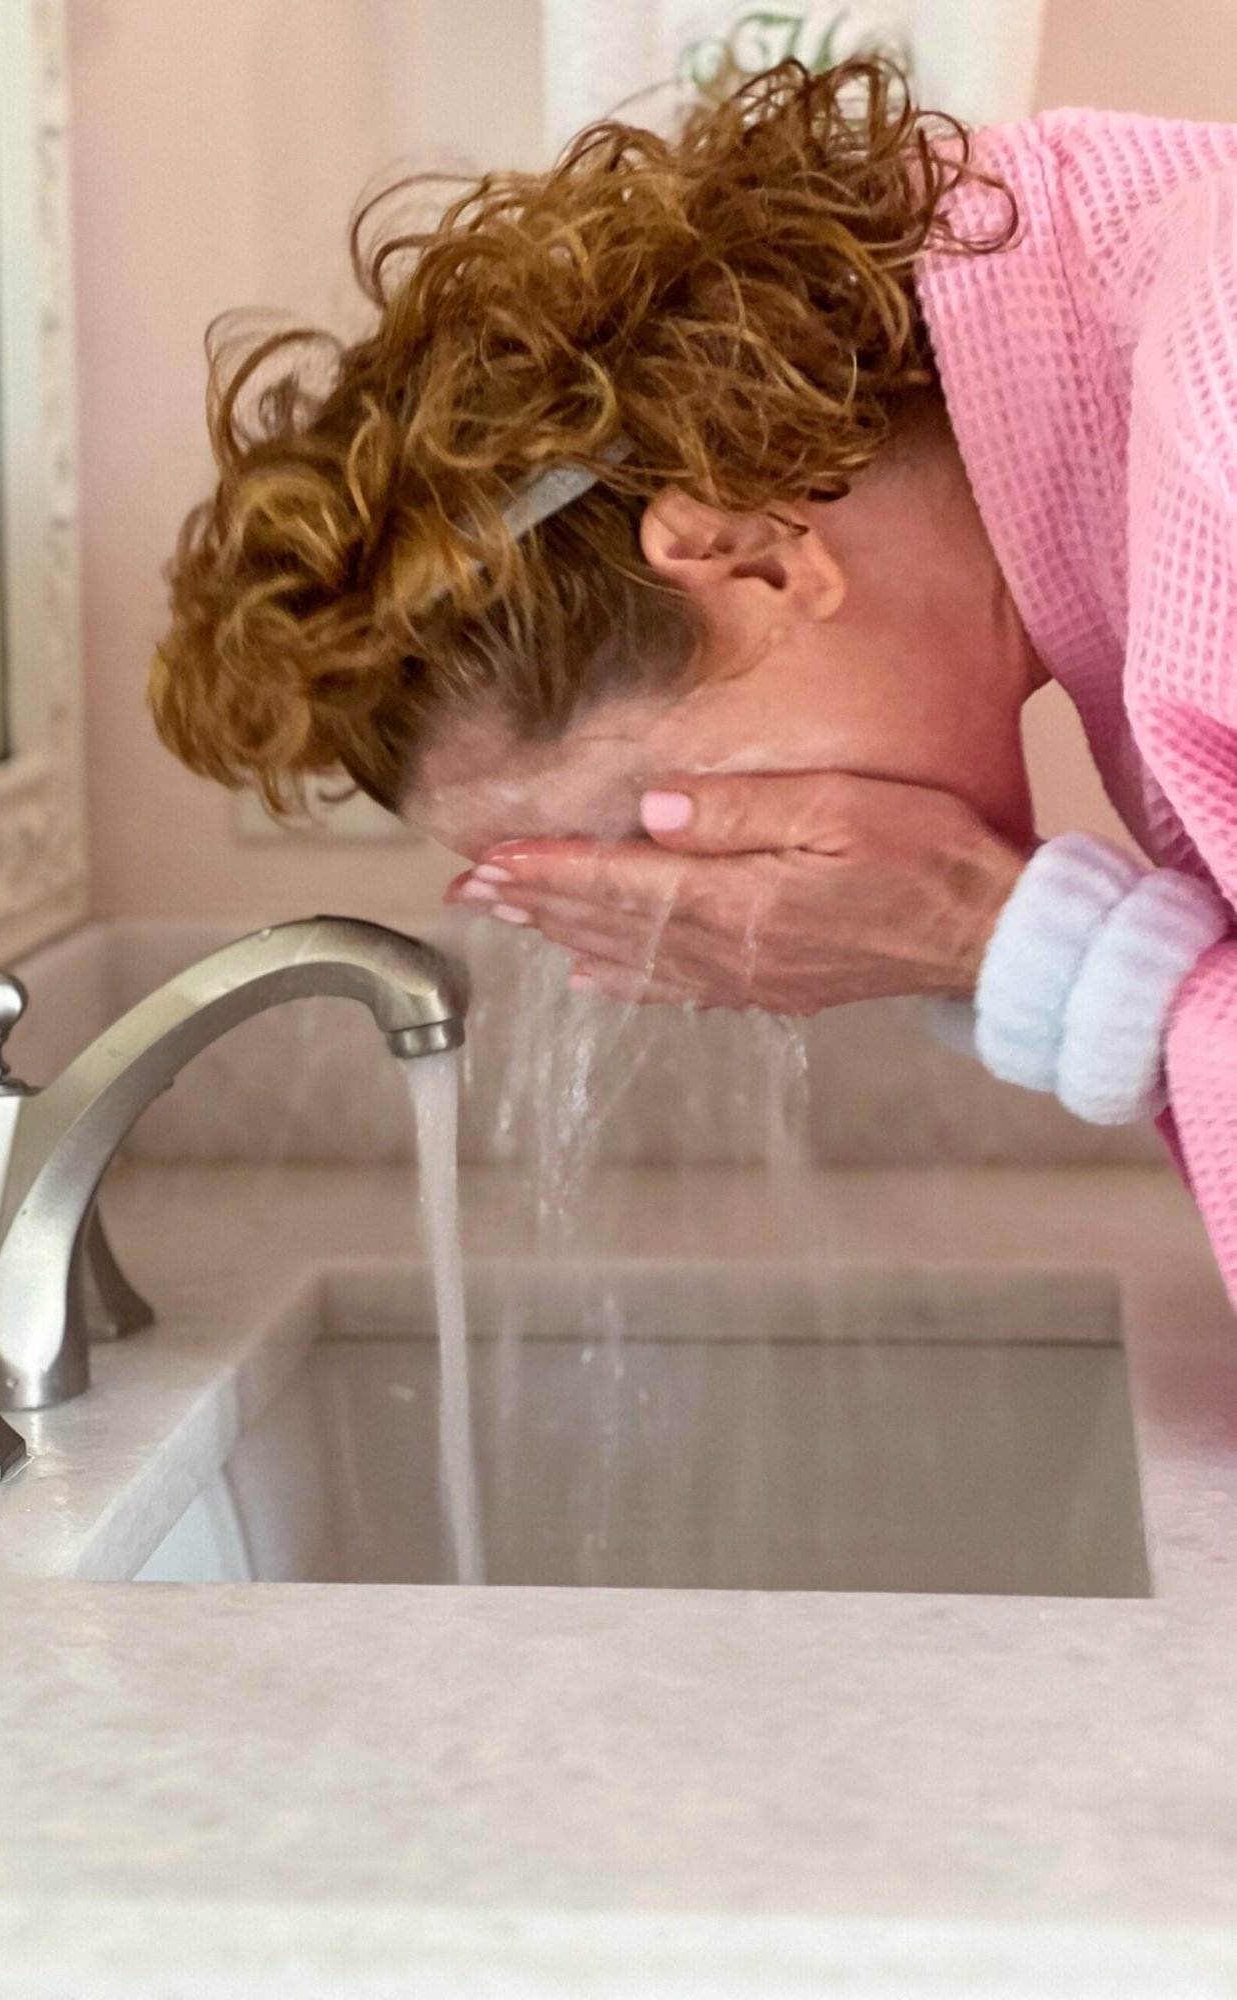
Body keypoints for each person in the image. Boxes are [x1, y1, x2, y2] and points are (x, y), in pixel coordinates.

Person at [150, 60, 1237, 1294]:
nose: (706, 916)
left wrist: (1009, 943)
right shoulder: (1122, 376)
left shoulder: (1220, 410)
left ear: (746, 555)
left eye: (649, 830)